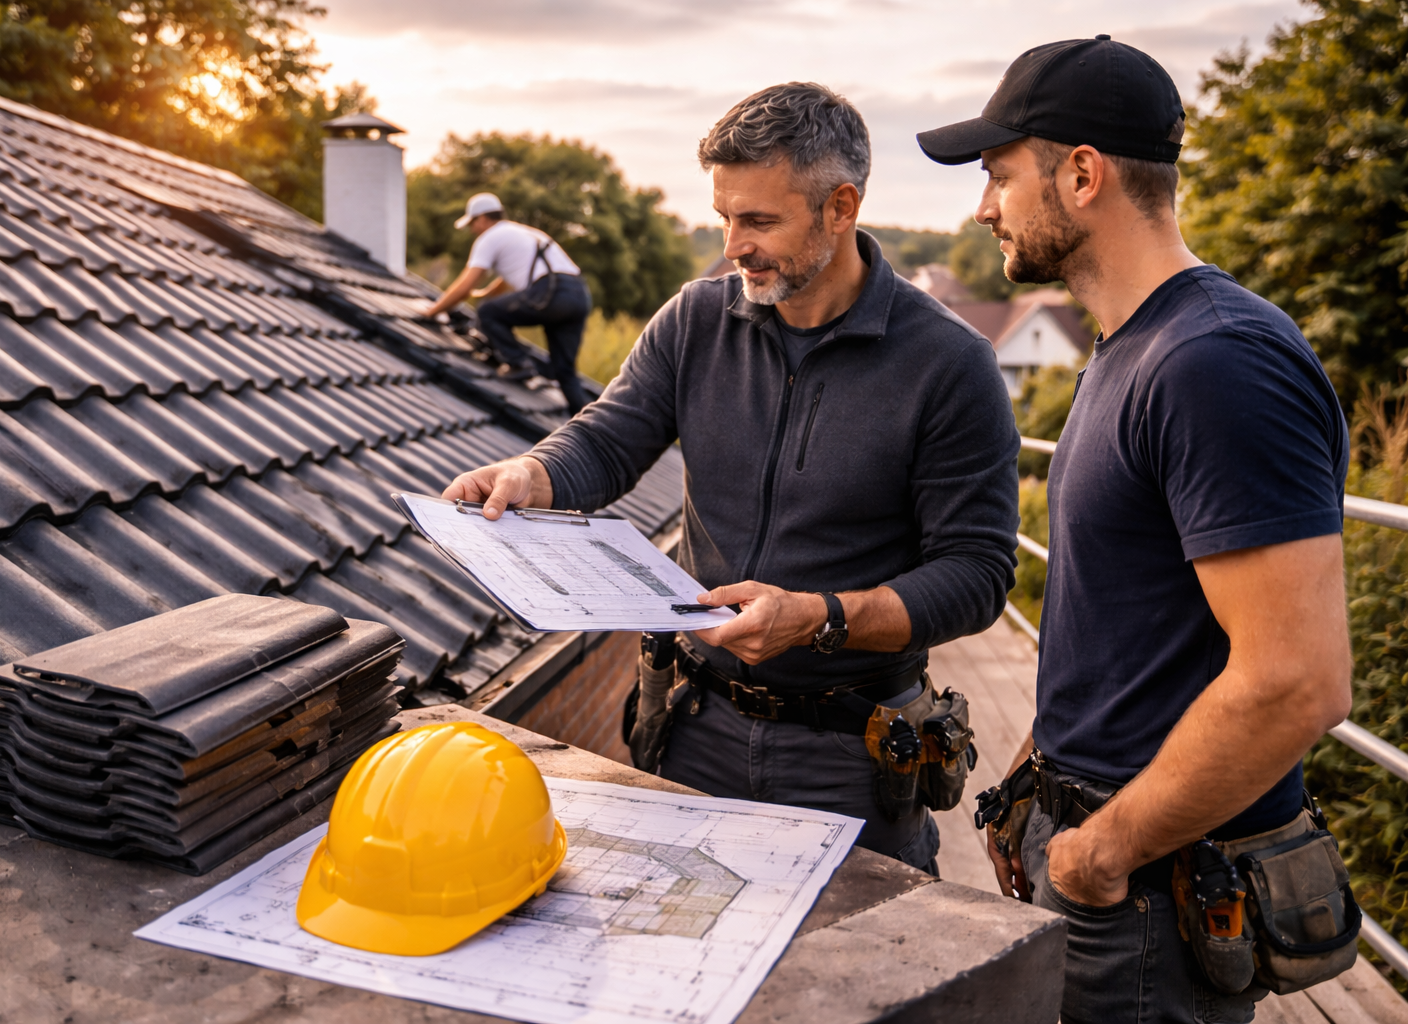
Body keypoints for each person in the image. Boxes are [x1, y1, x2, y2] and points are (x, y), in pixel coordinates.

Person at [443, 83, 1020, 871]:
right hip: (689, 723)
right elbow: (610, 438)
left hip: (853, 754)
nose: (733, 245)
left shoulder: (952, 365)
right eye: (724, 217)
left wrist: (821, 616)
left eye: (758, 221)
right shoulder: (694, 318)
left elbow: (978, 573)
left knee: (845, 976)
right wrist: (531, 472)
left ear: (840, 207)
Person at [919, 36, 1353, 1023]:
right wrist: (1034, 774)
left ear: (1081, 175)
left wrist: (1097, 849)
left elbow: (1299, 678)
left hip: (1149, 891)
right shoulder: (1132, 350)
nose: (984, 207)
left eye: (997, 176)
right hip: (1100, 861)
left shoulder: (1215, 362)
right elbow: (1125, 617)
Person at [423, 193, 593, 416]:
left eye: (473, 223)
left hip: (552, 292)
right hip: (578, 295)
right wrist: (486, 293)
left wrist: (432, 311)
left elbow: (465, 285)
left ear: (482, 218)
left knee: (487, 312)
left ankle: (518, 363)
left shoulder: (489, 237)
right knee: (564, 371)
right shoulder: (522, 232)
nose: (473, 229)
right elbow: (508, 277)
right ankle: (588, 427)